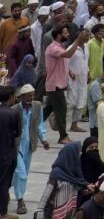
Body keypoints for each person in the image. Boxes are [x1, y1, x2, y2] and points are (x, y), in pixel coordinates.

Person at [37, 138, 104, 219]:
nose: (80, 155)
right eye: (78, 153)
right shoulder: (56, 174)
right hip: (54, 214)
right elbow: (45, 198)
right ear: (70, 155)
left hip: (69, 214)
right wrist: (39, 214)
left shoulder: (74, 173)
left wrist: (84, 191)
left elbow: (73, 191)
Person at [13, 83, 49, 214]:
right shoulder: (15, 109)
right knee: (21, 173)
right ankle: (20, 201)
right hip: (15, 147)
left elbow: (40, 124)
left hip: (29, 146)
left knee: (22, 174)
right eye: (28, 96)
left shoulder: (37, 106)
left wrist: (43, 139)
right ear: (21, 97)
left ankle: (9, 191)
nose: (31, 98)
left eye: (32, 95)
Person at [0, 86, 22, 219]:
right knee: (3, 183)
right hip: (7, 154)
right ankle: (2, 212)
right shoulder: (13, 113)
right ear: (10, 97)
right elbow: (18, 133)